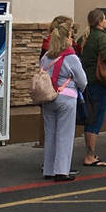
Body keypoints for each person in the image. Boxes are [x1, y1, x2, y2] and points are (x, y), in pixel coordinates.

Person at [39, 17, 87, 180]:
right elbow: (83, 81)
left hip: (48, 97)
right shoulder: (71, 57)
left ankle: (49, 169)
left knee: (50, 134)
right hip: (66, 98)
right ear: (67, 39)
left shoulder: (46, 57)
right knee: (65, 135)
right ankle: (61, 170)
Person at [79, 8, 106, 167]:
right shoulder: (102, 37)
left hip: (87, 80)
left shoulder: (85, 37)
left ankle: (90, 152)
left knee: (90, 117)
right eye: (104, 19)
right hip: (99, 81)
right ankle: (90, 155)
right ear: (100, 21)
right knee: (96, 117)